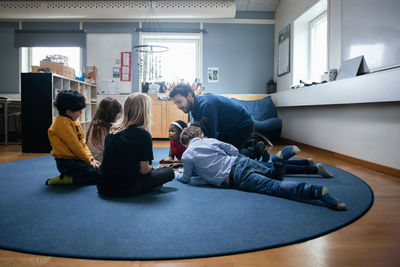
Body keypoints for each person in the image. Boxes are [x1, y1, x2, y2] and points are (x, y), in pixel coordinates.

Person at [176, 126, 346, 210]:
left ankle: (314, 191)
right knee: (274, 175)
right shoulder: (210, 140)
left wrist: (178, 174)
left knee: (274, 186)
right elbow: (233, 150)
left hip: (235, 177)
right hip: (242, 163)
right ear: (201, 136)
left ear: (184, 145)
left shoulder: (187, 154)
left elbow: (187, 178)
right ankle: (278, 162)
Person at [191, 119, 333, 178]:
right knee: (270, 164)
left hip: (237, 164)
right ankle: (307, 164)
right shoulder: (209, 142)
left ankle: (312, 168)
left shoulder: (204, 145)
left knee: (270, 168)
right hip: (236, 161)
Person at [98, 93, 175, 197]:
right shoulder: (143, 135)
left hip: (104, 187)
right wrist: (153, 169)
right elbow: (144, 170)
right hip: (127, 187)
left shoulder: (112, 131)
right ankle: (148, 187)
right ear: (145, 111)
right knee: (169, 171)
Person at [169, 84, 254, 150]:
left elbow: (212, 136)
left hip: (243, 125)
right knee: (221, 151)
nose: (178, 106)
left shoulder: (206, 105)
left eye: (179, 102)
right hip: (227, 128)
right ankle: (251, 145)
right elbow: (198, 132)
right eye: (176, 103)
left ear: (189, 96)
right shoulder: (193, 108)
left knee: (225, 156)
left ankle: (254, 149)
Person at [46, 90, 101, 185]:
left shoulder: (73, 120)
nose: (81, 113)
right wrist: (88, 161)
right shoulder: (61, 123)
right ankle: (66, 179)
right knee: (99, 176)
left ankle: (71, 176)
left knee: (101, 170)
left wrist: (91, 159)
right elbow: (75, 146)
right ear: (69, 111)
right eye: (79, 111)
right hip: (66, 163)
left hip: (78, 159)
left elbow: (82, 143)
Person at [86, 97, 122, 162]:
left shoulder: (97, 125)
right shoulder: (101, 129)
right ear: (111, 114)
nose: (118, 116)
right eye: (117, 113)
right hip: (101, 165)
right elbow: (113, 150)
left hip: (99, 162)